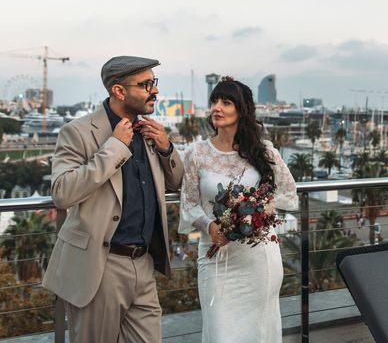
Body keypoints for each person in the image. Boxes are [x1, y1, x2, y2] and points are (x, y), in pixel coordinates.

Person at [42, 56, 183, 343]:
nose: (154, 90)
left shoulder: (149, 131)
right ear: (119, 91)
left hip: (144, 264)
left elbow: (179, 183)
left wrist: (166, 148)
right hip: (100, 266)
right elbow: (62, 192)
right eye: (146, 84)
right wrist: (115, 147)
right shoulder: (78, 131)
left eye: (154, 82)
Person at [178, 77, 298, 343]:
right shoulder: (196, 153)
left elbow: (288, 193)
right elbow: (189, 204)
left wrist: (256, 212)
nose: (217, 108)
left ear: (241, 110)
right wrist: (209, 226)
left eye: (226, 102)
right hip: (217, 258)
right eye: (214, 101)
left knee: (260, 332)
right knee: (220, 333)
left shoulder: (263, 151)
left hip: (258, 259)